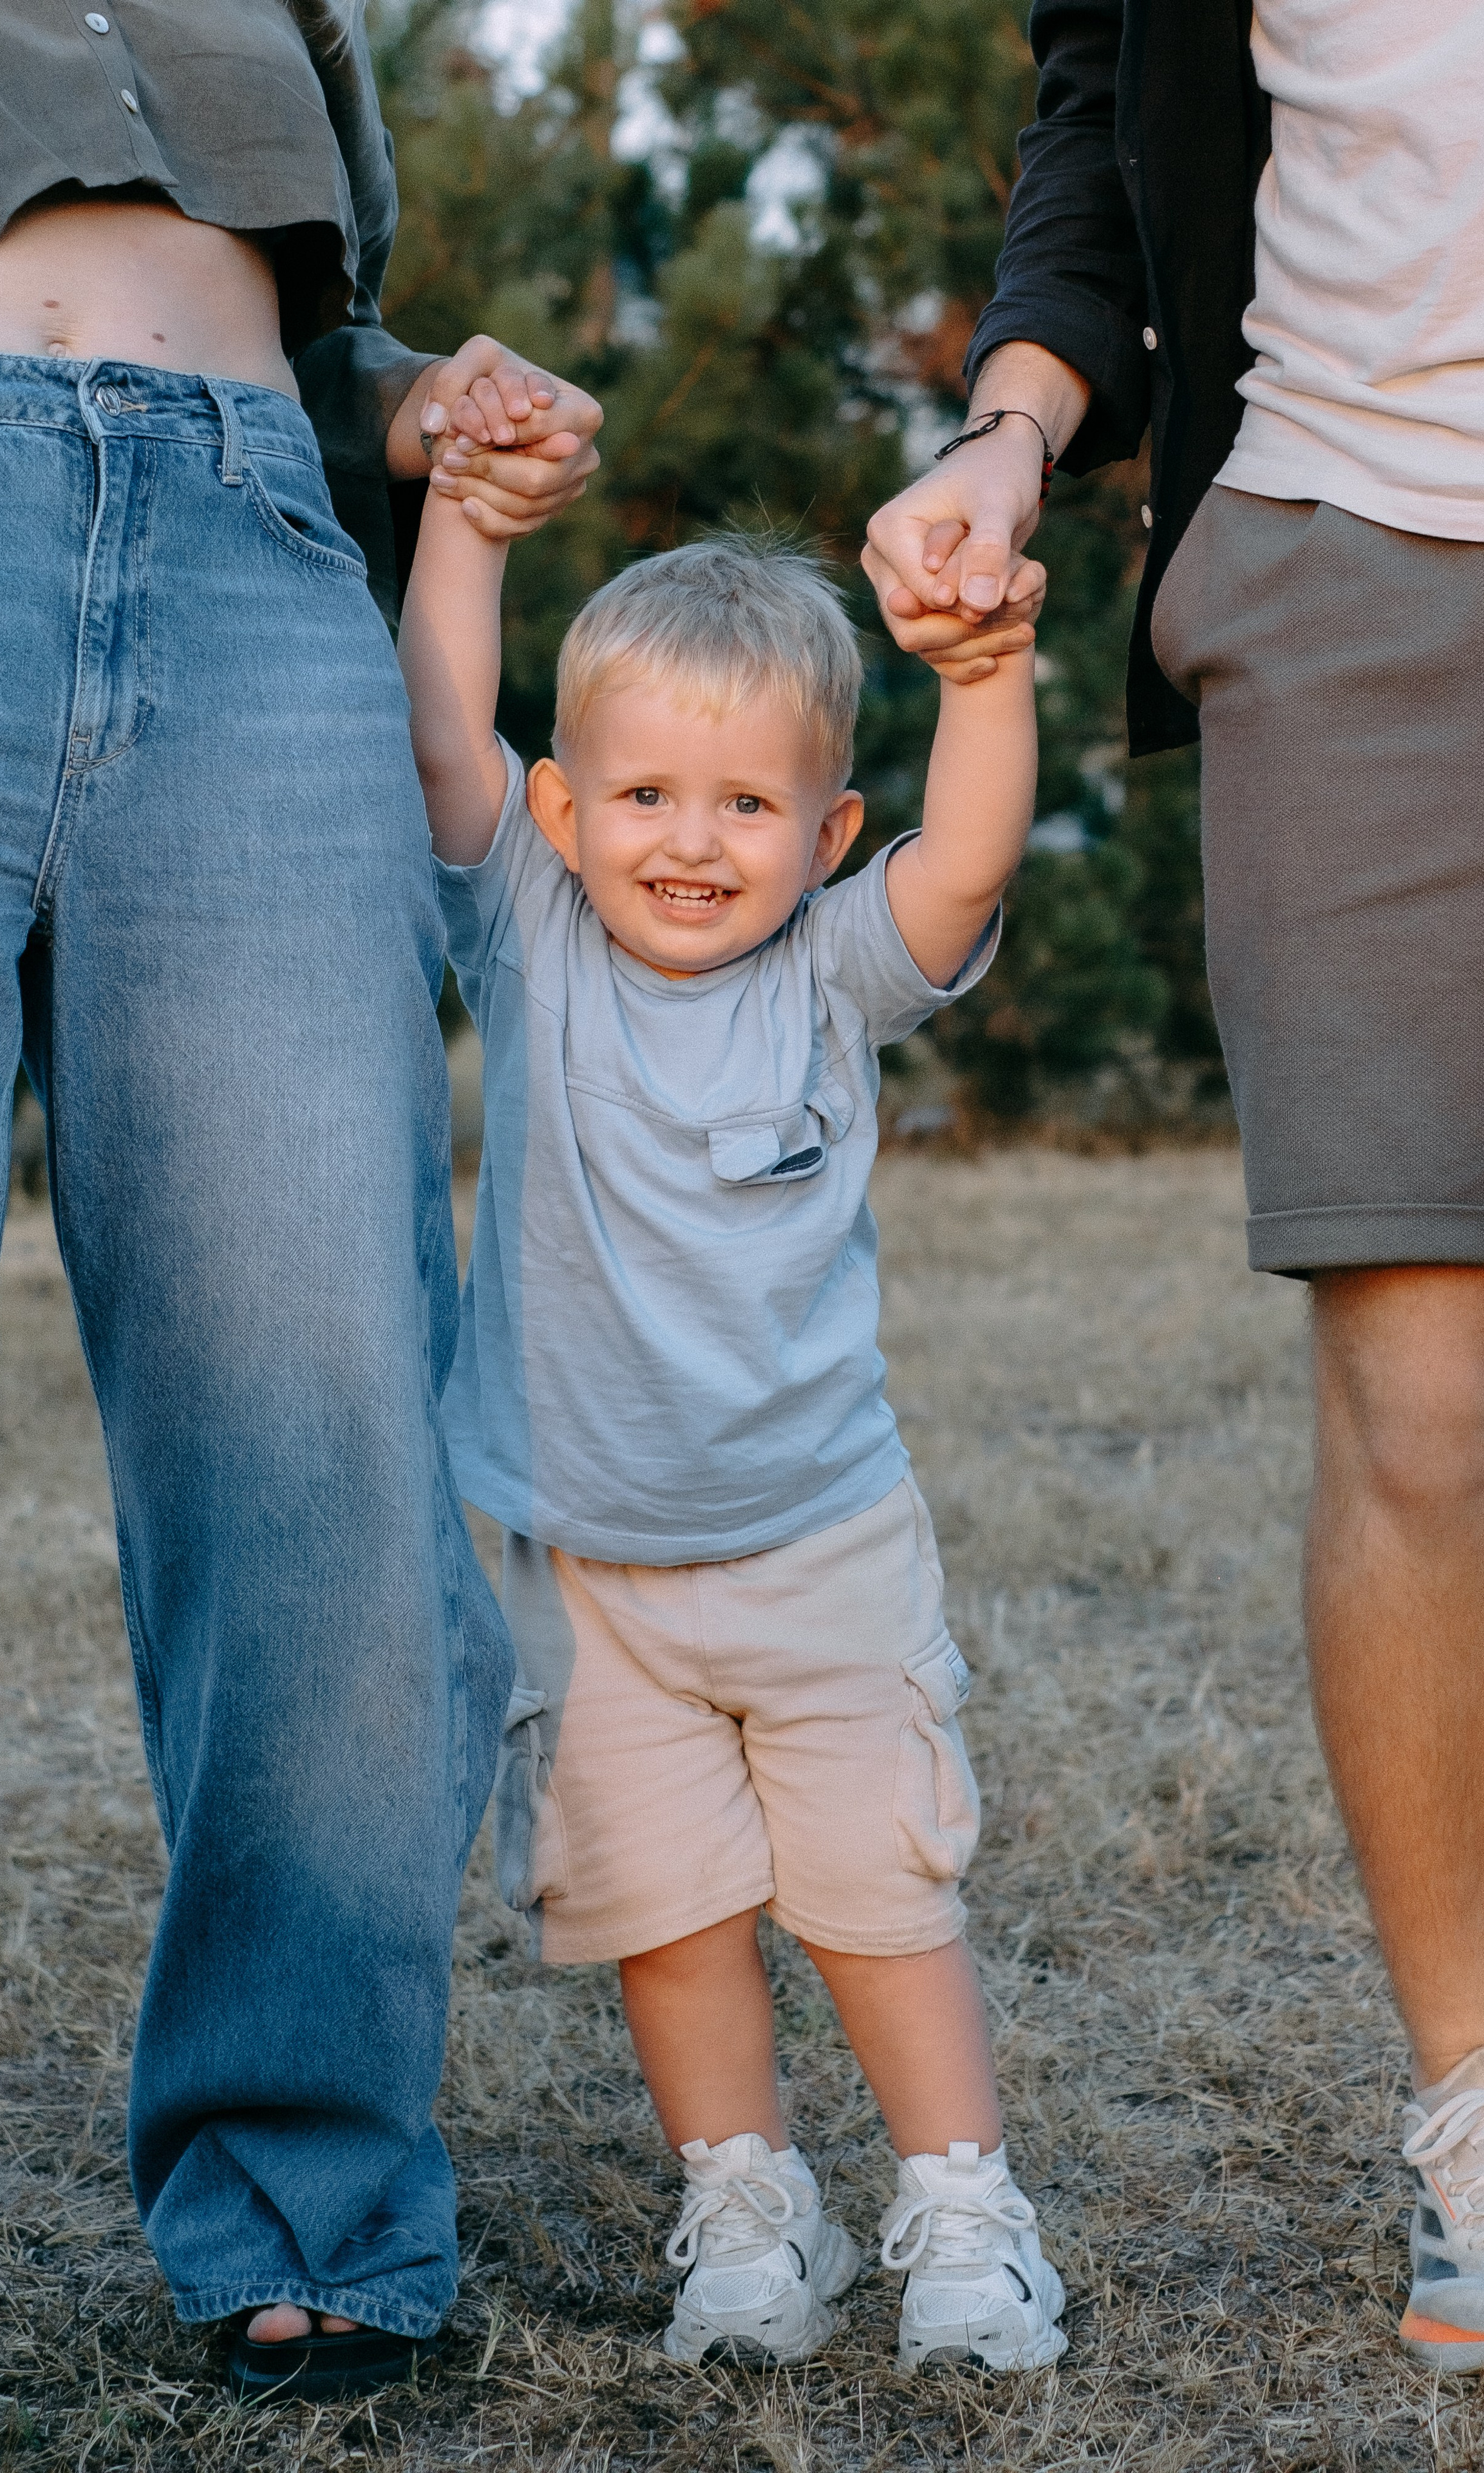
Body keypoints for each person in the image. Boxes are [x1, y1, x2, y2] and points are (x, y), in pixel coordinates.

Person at [0, 4, 604, 2457]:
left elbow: (313, 301)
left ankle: (308, 2192)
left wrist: (419, 406)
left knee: (326, 1424)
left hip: (258, 554)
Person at [860, 0, 1484, 2377]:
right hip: (1349, 562)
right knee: (1424, 1405)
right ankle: (1475, 2107)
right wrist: (1013, 428)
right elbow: (1107, 120)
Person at [394, 468, 1067, 2370]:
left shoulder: (831, 970)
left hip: (820, 1546)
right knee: (668, 1908)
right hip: (587, 1568)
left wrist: (986, 676)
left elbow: (970, 863)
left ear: (826, 830)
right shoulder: (528, 935)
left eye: (750, 806)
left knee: (878, 1891)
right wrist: (469, 526)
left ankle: (963, 2209)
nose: (691, 843)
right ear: (562, 812)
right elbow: (442, 729)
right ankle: (750, 2203)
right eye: (646, 798)